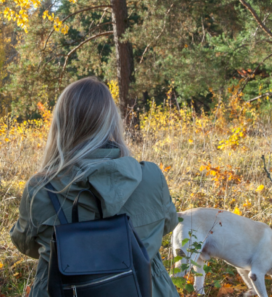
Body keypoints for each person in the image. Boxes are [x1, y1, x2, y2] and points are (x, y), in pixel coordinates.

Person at [10, 77, 180, 297]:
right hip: (144, 289)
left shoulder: (42, 189)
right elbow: (167, 224)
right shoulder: (150, 177)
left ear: (61, 125)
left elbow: (25, 244)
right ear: (111, 122)